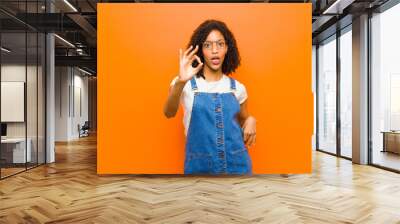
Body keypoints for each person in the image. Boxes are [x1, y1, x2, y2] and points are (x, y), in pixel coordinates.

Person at [163, 19, 256, 175]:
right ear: (200, 50)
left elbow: (244, 121)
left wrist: (252, 120)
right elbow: (168, 112)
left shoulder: (237, 88)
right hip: (199, 167)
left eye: (220, 44)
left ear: (227, 48)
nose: (214, 50)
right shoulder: (184, 83)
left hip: (238, 166)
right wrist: (181, 81)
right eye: (208, 45)